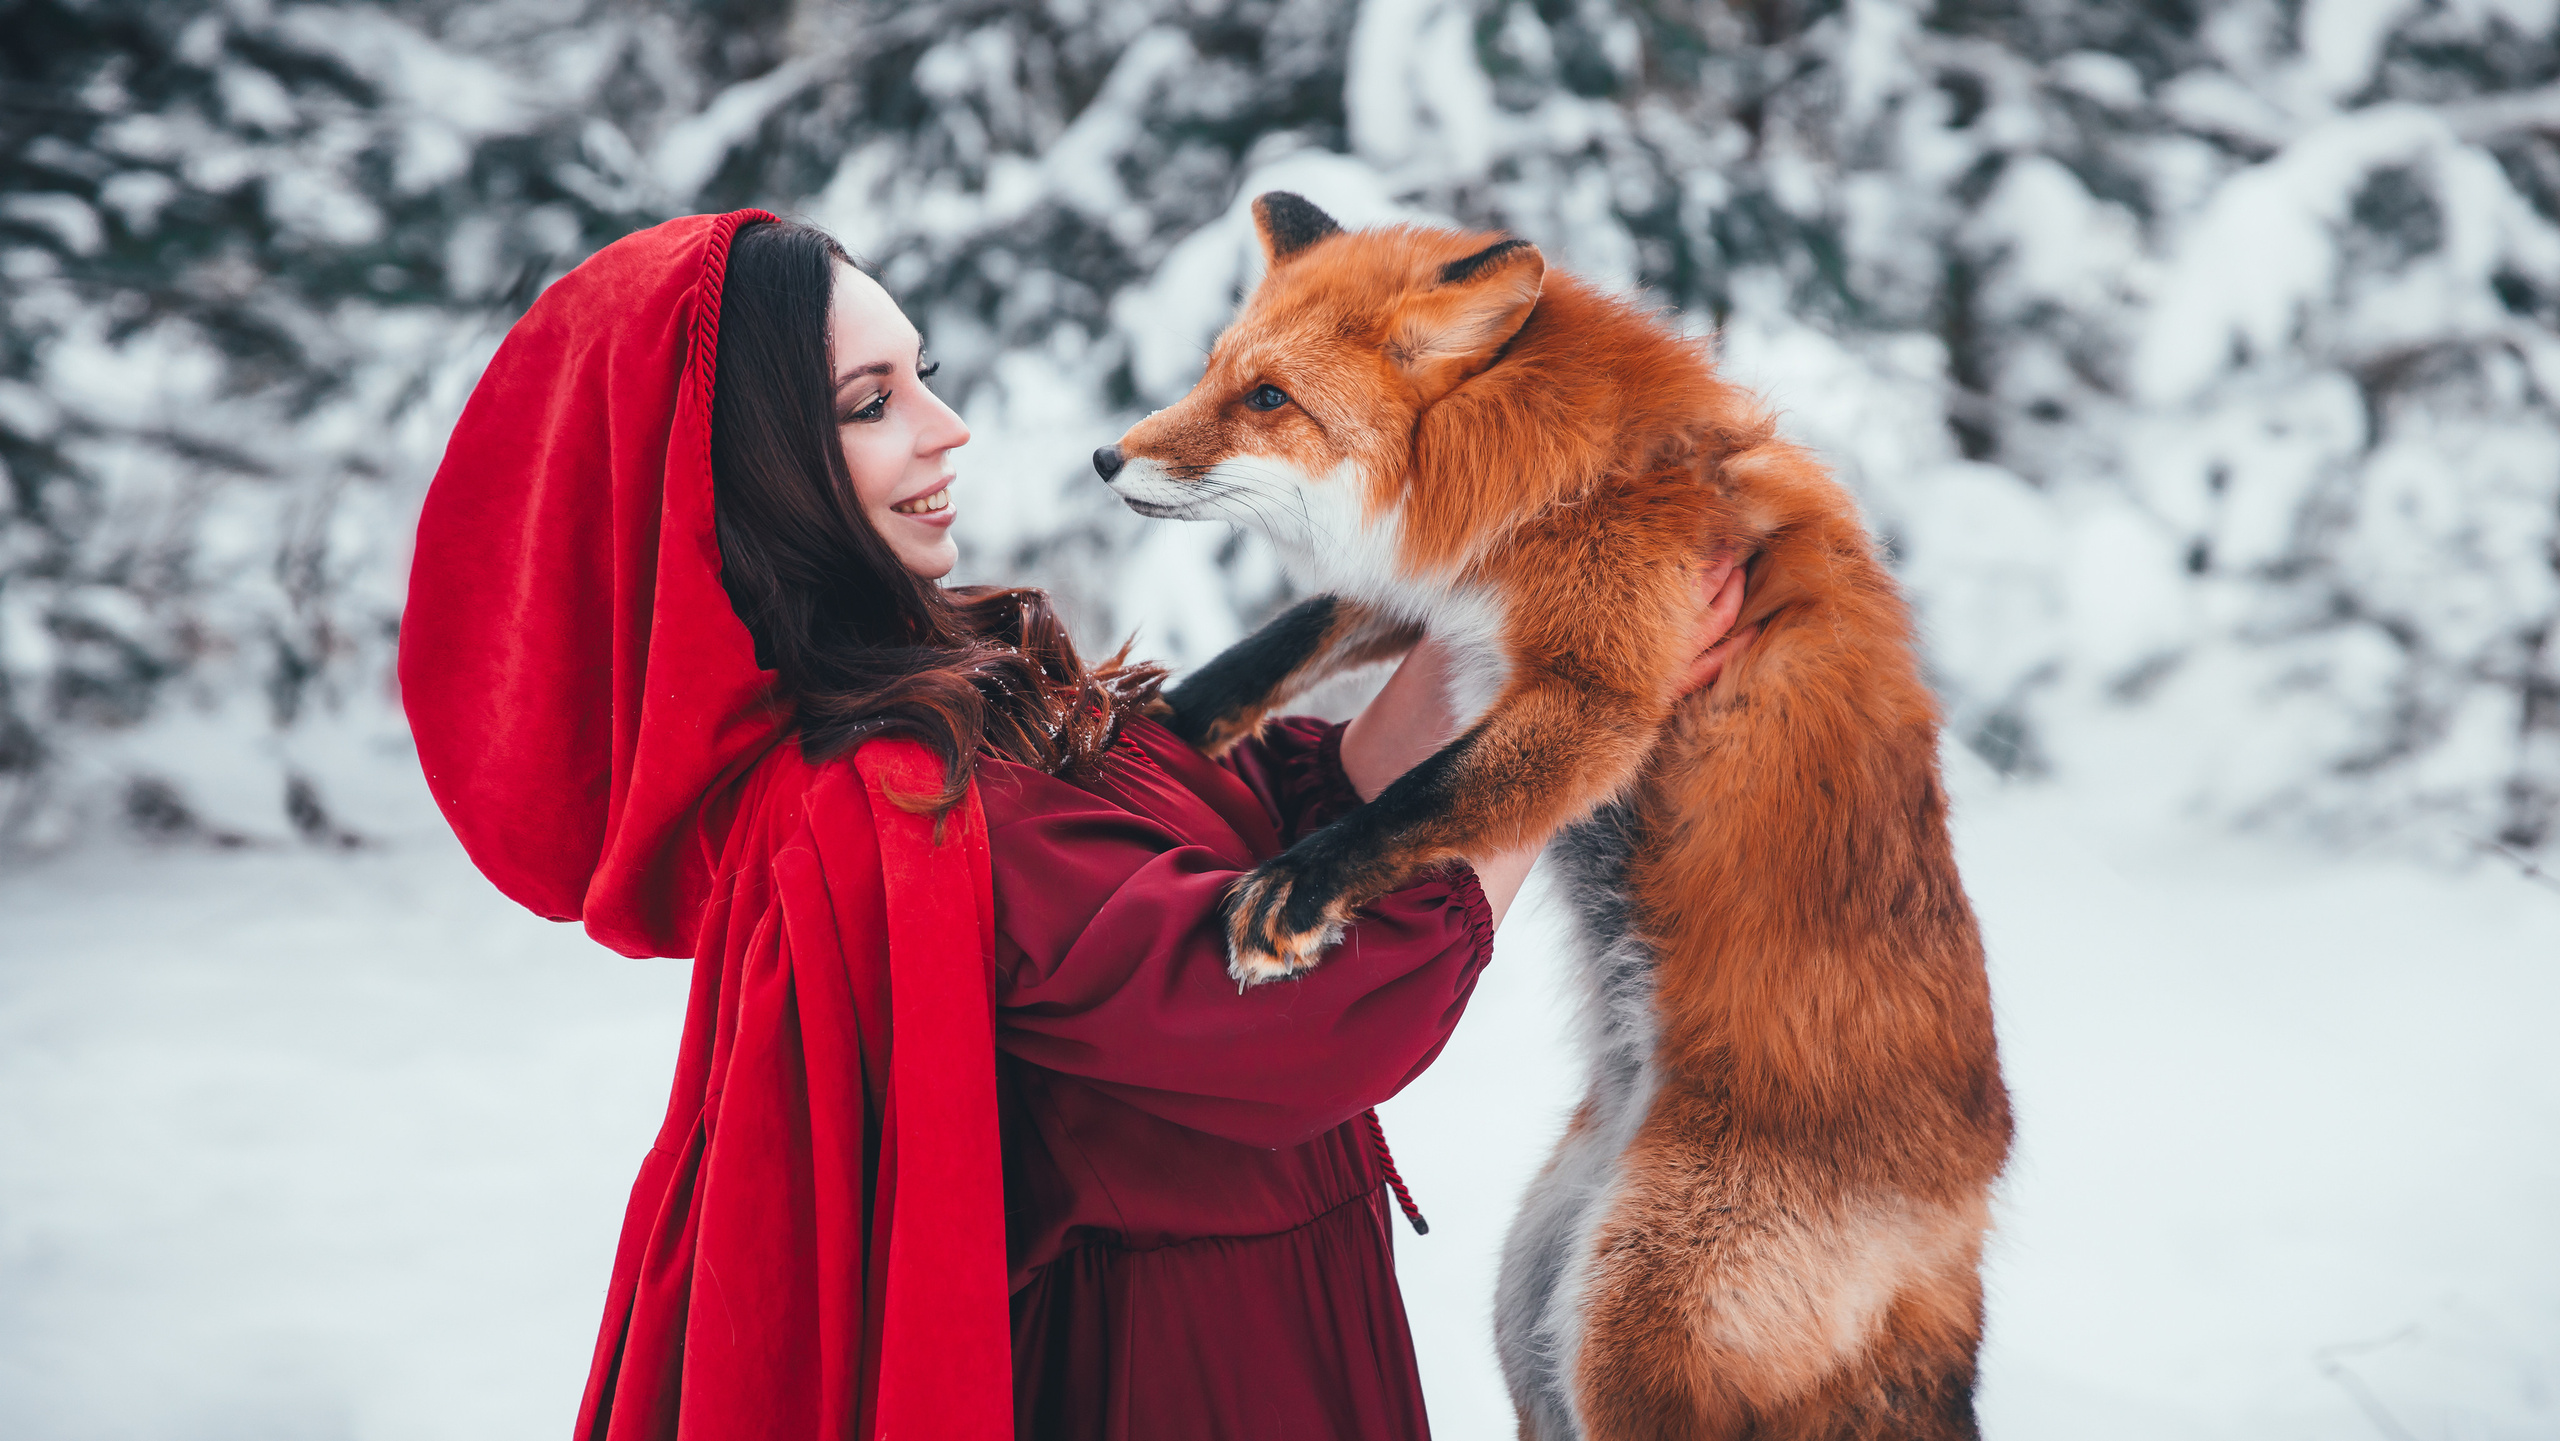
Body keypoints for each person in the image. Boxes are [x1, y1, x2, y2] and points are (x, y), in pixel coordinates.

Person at [399, 210, 1749, 1441]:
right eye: (872, 403)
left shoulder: (962, 698)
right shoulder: (897, 800)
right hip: (1178, 1384)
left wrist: (1537, 598)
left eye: (921, 373)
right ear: (749, 478)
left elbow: (1260, 814)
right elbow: (1298, 1012)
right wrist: (1582, 717)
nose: (946, 427)